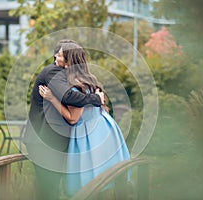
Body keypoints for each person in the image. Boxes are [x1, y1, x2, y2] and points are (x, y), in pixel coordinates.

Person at [39, 42, 131, 197]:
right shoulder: (90, 78)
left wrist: (52, 98)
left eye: (61, 56)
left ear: (69, 61)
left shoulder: (76, 85)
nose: (56, 57)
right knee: (110, 174)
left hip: (89, 133)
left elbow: (73, 119)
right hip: (106, 127)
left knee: (92, 180)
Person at [24, 40, 105, 200]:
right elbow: (69, 96)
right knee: (48, 190)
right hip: (44, 140)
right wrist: (96, 98)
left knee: (55, 189)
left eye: (62, 54)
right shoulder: (52, 72)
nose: (57, 56)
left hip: (54, 140)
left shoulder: (68, 75)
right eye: (59, 53)